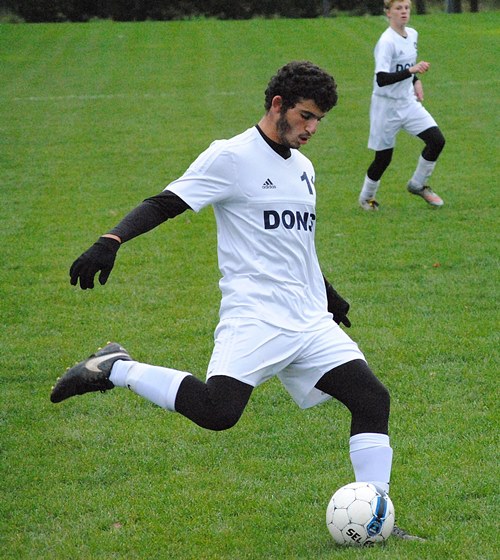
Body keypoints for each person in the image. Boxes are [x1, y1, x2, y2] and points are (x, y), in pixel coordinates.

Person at [51, 61, 422, 541]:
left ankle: (375, 521)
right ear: (278, 106)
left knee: (371, 398)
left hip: (308, 320)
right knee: (218, 412)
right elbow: (166, 202)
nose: (312, 129)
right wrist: (111, 240)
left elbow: (296, 244)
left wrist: (328, 295)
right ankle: (114, 368)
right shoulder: (230, 157)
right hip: (256, 316)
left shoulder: (305, 168)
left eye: (319, 121)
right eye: (306, 116)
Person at [358, 0, 446, 211]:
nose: (404, 12)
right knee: (383, 158)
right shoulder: (387, 42)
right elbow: (382, 78)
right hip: (385, 107)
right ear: (388, 13)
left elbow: (407, 66)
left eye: (406, 8)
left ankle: (417, 184)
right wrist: (411, 72)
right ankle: (366, 198)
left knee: (436, 140)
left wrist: (415, 81)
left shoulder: (412, 34)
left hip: (407, 102)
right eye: (398, 8)